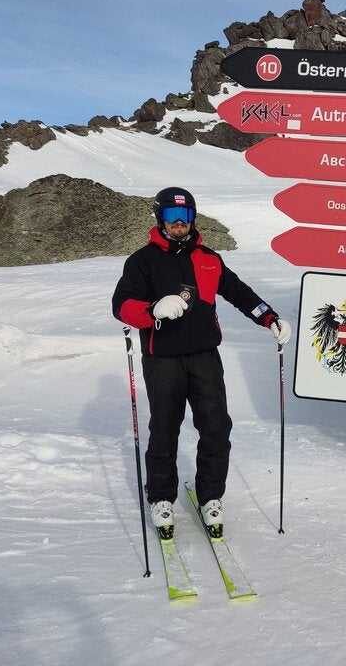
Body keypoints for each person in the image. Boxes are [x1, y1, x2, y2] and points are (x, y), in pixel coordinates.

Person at [112, 187, 292, 540]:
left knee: (216, 427)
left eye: (185, 218)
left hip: (205, 357)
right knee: (165, 429)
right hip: (162, 359)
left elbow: (240, 293)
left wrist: (269, 318)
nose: (179, 224)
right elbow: (121, 305)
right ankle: (162, 497)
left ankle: (210, 495)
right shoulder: (142, 261)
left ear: (193, 218)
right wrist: (151, 310)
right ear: (159, 219)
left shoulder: (209, 259)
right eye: (171, 218)